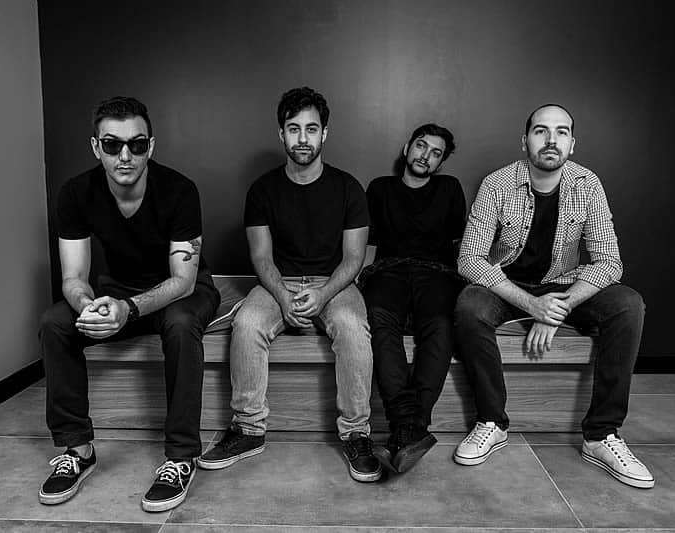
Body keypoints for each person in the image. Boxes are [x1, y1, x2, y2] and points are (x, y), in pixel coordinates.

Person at [453, 104, 653, 489]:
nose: (551, 140)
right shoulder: (497, 183)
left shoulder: (587, 184)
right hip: (509, 285)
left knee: (628, 304)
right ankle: (492, 422)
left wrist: (558, 308)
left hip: (564, 284)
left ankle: (601, 435)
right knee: (469, 305)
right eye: (541, 131)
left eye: (561, 132)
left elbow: (609, 261)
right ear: (524, 140)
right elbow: (470, 259)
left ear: (572, 144)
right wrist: (532, 306)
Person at [38, 96, 220, 511]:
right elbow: (73, 278)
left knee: (180, 324)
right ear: (95, 147)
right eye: (112, 144)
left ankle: (181, 457)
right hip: (118, 290)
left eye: (136, 145)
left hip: (184, 291)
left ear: (150, 147)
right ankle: (77, 449)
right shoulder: (76, 193)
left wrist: (129, 310)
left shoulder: (179, 190)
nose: (125, 156)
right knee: (55, 322)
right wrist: (89, 306)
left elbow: (183, 280)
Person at [198, 87, 381, 482]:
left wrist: (323, 294)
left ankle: (356, 434)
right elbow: (261, 258)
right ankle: (248, 430)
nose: (302, 138)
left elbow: (354, 259)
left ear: (324, 134)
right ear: (281, 133)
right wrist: (283, 296)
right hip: (278, 281)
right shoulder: (262, 190)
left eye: (311, 129)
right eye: (293, 128)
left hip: (334, 283)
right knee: (247, 323)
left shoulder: (349, 188)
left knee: (352, 326)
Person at [360, 124, 466, 473]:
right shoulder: (380, 188)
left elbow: (460, 245)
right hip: (387, 271)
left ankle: (406, 428)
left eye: (436, 153)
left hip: (437, 273)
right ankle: (411, 426)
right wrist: (358, 283)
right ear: (407, 147)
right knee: (378, 320)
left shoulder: (449, 188)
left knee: (440, 323)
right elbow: (367, 242)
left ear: (440, 162)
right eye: (421, 146)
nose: (426, 156)